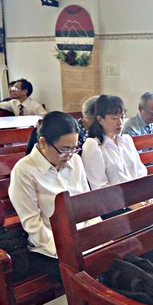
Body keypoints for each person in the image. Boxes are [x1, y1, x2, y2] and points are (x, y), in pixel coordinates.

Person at [9, 111, 94, 282]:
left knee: (120, 255)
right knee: (95, 274)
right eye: (64, 149)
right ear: (43, 143)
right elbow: (33, 225)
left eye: (74, 148)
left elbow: (87, 205)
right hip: (49, 249)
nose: (70, 155)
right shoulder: (24, 170)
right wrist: (68, 251)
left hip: (83, 240)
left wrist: (100, 236)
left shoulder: (75, 161)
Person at [81, 95, 147, 190]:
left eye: (122, 117)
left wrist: (143, 193)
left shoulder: (126, 140)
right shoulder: (93, 145)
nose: (120, 123)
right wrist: (130, 197)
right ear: (100, 120)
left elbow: (141, 172)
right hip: (115, 199)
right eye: (115, 118)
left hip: (137, 194)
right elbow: (99, 187)